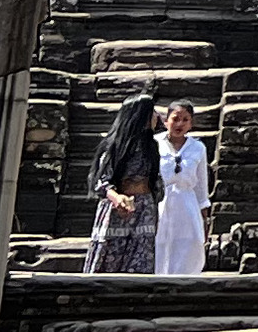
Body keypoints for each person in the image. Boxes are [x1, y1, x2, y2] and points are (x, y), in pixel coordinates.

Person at [83, 93, 159, 273]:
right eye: (152, 111)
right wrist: (117, 198)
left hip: (144, 210)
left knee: (141, 258)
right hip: (117, 210)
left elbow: (157, 180)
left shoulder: (152, 147)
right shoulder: (115, 146)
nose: (157, 116)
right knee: (110, 259)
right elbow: (101, 181)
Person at [154, 98, 215, 278]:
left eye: (185, 119)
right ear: (166, 121)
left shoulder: (198, 148)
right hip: (160, 203)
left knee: (189, 247)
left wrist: (204, 219)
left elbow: (201, 188)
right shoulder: (154, 143)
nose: (179, 124)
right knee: (160, 244)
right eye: (175, 118)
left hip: (187, 205)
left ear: (191, 123)